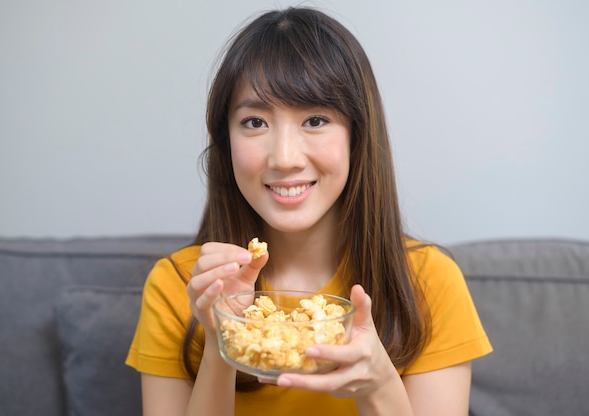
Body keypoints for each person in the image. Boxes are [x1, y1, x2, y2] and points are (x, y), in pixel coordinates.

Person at [126, 6, 492, 416]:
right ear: (225, 140)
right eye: (254, 123)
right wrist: (221, 341)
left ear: (357, 135)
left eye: (315, 119)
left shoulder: (428, 282)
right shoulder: (180, 286)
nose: (284, 158)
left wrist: (379, 382)